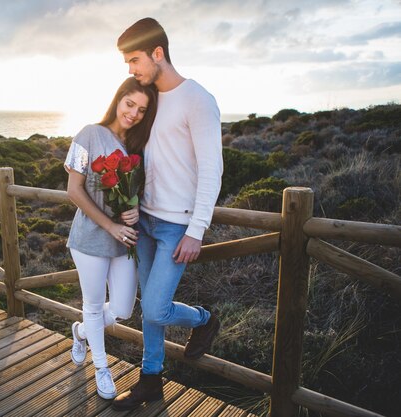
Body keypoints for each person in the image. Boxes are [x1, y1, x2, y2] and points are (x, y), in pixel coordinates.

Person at [111, 18, 224, 411]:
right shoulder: (150, 100)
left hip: (178, 224)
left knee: (157, 307)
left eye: (135, 60)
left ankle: (205, 319)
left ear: (158, 53)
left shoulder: (198, 98)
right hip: (144, 221)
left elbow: (212, 169)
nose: (131, 70)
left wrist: (197, 229)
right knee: (149, 310)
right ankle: (150, 380)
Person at [64, 76, 158, 400]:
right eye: (129, 104)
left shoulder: (136, 148)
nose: (133, 113)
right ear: (118, 100)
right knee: (92, 305)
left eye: (141, 110)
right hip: (90, 238)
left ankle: (80, 332)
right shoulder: (89, 133)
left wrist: (134, 211)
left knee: (123, 308)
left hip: (124, 240)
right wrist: (110, 225)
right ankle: (101, 368)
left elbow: (135, 194)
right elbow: (73, 190)